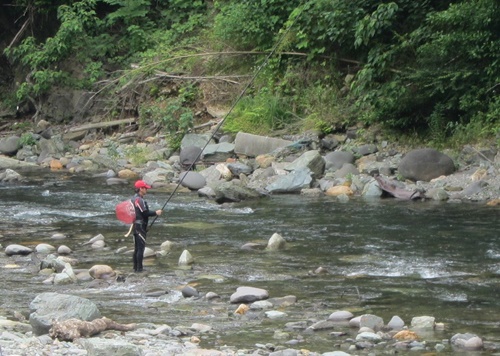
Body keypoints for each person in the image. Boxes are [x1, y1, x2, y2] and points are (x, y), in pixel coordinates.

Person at [132, 180, 162, 272]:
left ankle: (135, 268)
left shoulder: (132, 199)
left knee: (137, 248)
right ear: (140, 189)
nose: (146, 190)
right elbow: (145, 213)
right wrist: (156, 213)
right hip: (140, 226)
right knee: (140, 248)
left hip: (135, 225)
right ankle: (139, 269)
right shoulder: (139, 200)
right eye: (145, 188)